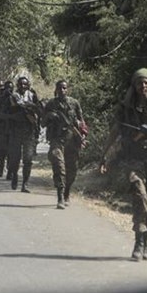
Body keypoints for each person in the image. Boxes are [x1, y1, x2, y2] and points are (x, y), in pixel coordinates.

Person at [100, 68, 147, 261]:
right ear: (134, 86)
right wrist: (104, 155)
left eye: (146, 82)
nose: (143, 86)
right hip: (133, 158)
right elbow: (115, 131)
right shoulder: (126, 108)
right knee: (140, 197)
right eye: (139, 83)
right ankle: (139, 242)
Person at [43, 80, 86, 209]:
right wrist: (50, 115)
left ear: (67, 89)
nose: (62, 90)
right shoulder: (51, 104)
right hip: (57, 140)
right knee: (59, 166)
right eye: (60, 88)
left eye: (64, 88)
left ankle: (67, 191)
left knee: (72, 171)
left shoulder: (74, 103)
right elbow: (42, 123)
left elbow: (81, 121)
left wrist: (82, 134)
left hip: (72, 141)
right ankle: (60, 196)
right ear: (56, 89)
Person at [4, 76, 41, 192]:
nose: (22, 86)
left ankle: (25, 183)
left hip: (29, 132)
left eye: (25, 84)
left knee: (28, 160)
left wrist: (31, 107)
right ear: (17, 85)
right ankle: (14, 175)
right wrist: (13, 116)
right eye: (20, 84)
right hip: (15, 132)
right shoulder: (12, 97)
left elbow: (39, 111)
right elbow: (1, 114)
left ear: (28, 85)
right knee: (14, 159)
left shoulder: (32, 96)